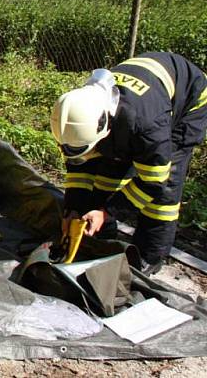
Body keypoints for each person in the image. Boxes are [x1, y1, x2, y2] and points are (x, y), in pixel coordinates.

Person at [51, 52, 207, 276]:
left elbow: (154, 183)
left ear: (105, 126)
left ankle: (148, 258)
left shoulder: (147, 129)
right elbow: (80, 166)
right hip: (143, 99)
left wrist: (106, 212)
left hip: (188, 101)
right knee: (107, 171)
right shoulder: (80, 112)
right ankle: (103, 236)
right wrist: (74, 208)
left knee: (164, 192)